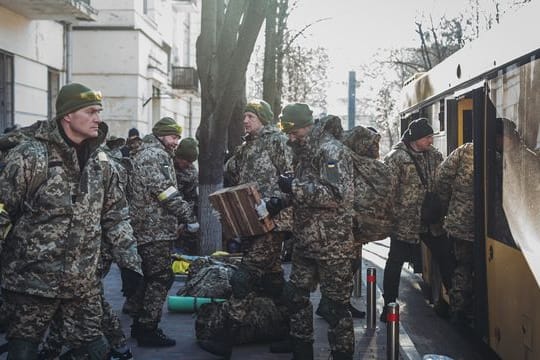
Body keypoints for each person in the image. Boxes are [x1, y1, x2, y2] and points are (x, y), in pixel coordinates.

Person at [0, 82, 142, 359]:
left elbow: (116, 216)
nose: (98, 119)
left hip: (82, 282)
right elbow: (3, 210)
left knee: (95, 348)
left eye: (98, 112)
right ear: (68, 115)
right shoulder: (31, 157)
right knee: (23, 348)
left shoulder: (102, 163)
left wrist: (129, 263)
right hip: (32, 282)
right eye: (90, 112)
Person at [198, 100, 292, 358]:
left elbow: (293, 179)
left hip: (273, 223)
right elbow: (232, 171)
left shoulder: (277, 141)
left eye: (250, 116)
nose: (245, 121)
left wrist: (277, 203)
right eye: (244, 117)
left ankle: (224, 339)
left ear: (264, 118)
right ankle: (293, 332)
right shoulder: (248, 145)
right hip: (253, 223)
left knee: (244, 277)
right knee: (273, 281)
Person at [277, 105, 356, 360]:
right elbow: (306, 192)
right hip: (305, 241)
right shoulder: (303, 150)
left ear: (306, 126)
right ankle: (301, 352)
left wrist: (295, 187)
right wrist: (281, 199)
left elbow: (337, 195)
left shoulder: (331, 151)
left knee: (335, 308)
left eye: (293, 131)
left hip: (332, 245)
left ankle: (342, 355)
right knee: (295, 299)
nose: (290, 138)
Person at [128, 116, 198, 347]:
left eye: (178, 137)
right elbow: (164, 192)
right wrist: (188, 216)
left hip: (152, 227)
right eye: (173, 136)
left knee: (150, 278)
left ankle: (140, 325)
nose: (176, 141)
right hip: (152, 229)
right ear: (160, 134)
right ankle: (148, 328)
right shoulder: (154, 155)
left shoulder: (155, 153)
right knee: (161, 278)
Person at [381, 118, 451, 321]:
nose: (431, 140)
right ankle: (389, 306)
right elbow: (387, 191)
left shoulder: (434, 156)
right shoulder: (396, 158)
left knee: (446, 258)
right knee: (395, 262)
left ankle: (453, 303)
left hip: (431, 220)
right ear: (416, 138)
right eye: (428, 137)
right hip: (406, 222)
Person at [435, 142, 474, 326]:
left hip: (458, 221)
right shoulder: (502, 156)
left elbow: (442, 176)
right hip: (470, 225)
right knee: (464, 265)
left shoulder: (465, 149)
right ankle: (458, 309)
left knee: (461, 265)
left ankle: (455, 307)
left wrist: (445, 204)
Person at [174, 137, 200, 255]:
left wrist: (184, 222)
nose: (189, 164)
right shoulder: (166, 164)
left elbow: (191, 198)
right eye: (187, 161)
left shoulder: (191, 172)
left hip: (181, 214)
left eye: (192, 161)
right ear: (179, 156)